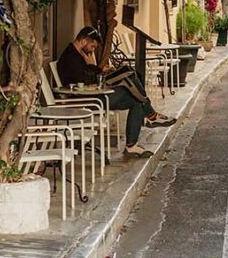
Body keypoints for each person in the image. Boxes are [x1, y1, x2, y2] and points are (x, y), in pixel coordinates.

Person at [56, 26, 173, 160]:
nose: (92, 50)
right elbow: (82, 82)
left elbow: (86, 77)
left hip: (94, 95)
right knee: (132, 88)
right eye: (92, 46)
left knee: (131, 79)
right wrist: (93, 68)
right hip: (87, 100)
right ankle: (148, 119)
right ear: (84, 41)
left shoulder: (77, 54)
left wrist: (94, 68)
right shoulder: (71, 57)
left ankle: (137, 137)